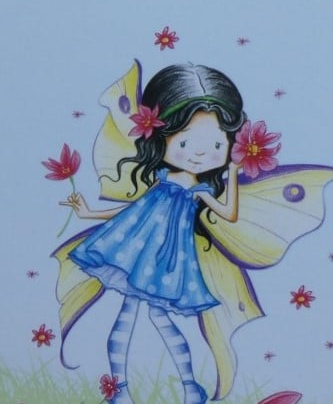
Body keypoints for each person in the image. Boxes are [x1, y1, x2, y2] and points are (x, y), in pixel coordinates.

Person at [61, 63, 246, 404]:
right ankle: (125, 390)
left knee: (154, 316)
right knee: (132, 313)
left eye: (216, 145)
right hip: (137, 253)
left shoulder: (200, 189)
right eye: (186, 142)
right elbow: (133, 212)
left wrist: (233, 172)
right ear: (161, 137)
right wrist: (89, 213)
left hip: (168, 262)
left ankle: (187, 388)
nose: (200, 153)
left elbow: (230, 214)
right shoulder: (163, 179)